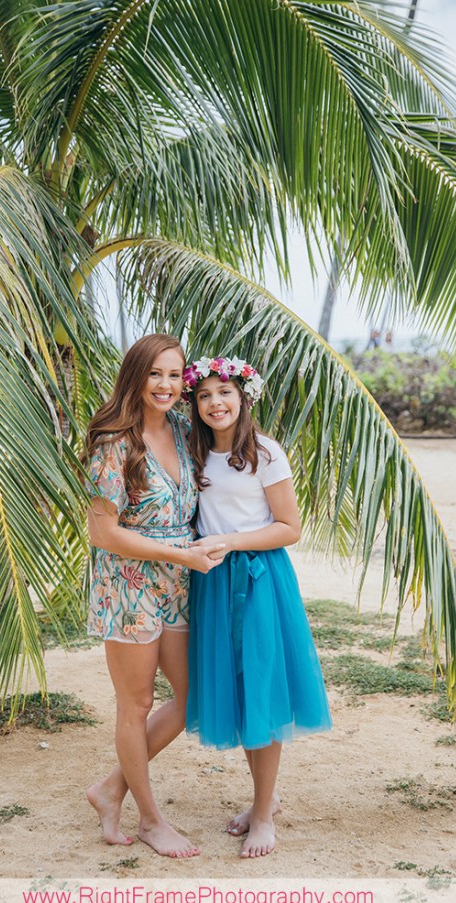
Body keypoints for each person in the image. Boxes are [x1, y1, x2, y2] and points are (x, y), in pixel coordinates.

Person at [183, 356, 332, 858]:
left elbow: (289, 527)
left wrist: (231, 540)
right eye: (204, 395)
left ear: (244, 397)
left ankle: (264, 814)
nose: (215, 403)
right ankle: (260, 800)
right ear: (194, 404)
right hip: (210, 581)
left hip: (258, 578)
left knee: (261, 688)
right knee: (241, 690)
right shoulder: (194, 453)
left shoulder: (265, 453)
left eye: (224, 392)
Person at [82, 335, 224, 858]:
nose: (166, 385)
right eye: (155, 374)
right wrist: (182, 556)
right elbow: (103, 533)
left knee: (191, 699)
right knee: (137, 703)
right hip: (128, 583)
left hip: (179, 582)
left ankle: (109, 789)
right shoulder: (111, 439)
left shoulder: (187, 428)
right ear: (136, 377)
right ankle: (148, 818)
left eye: (174, 375)